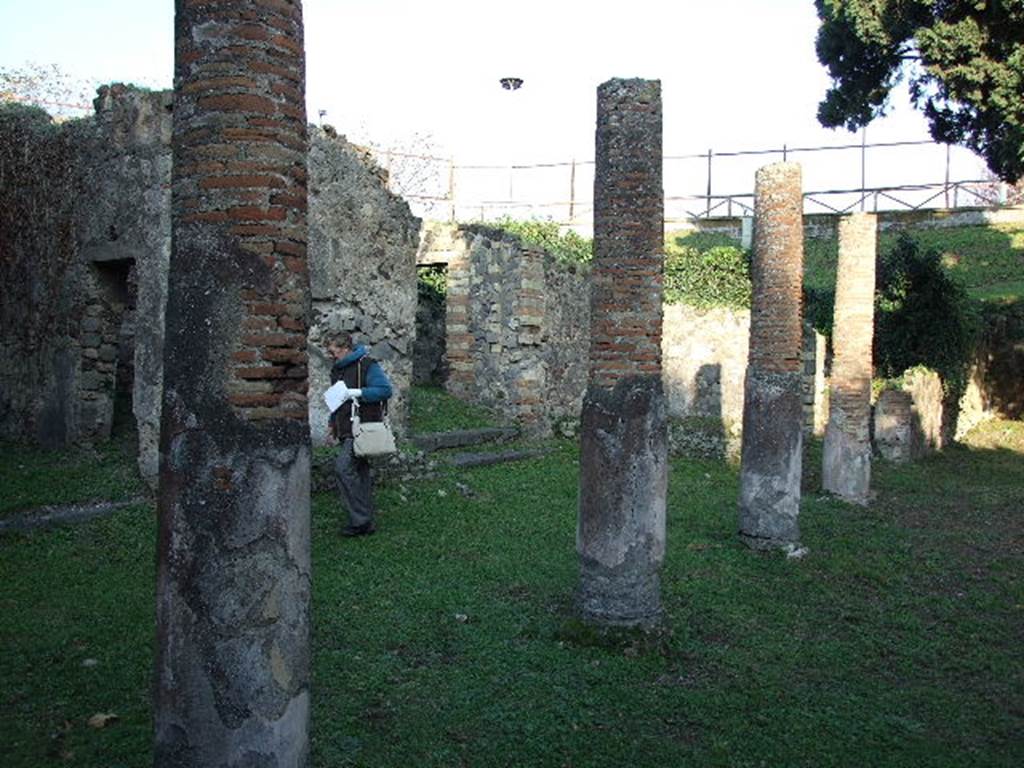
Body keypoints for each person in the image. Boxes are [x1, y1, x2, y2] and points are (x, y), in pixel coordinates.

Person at [326, 331, 393, 537]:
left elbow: (384, 390)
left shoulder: (367, 365)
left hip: (362, 426)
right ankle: (365, 517)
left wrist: (358, 393)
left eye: (334, 351)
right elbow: (336, 401)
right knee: (360, 472)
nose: (331, 355)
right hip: (346, 428)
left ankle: (361, 520)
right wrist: (331, 424)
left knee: (343, 468)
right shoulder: (337, 370)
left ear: (345, 349)